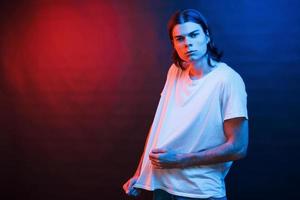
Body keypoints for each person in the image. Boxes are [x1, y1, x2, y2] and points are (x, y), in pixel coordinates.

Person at [123, 9, 248, 200]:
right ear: (173, 44)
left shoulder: (227, 79)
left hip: (199, 191)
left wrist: (180, 160)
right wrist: (140, 173)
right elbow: (159, 125)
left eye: (194, 34)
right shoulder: (175, 71)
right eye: (179, 38)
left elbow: (238, 147)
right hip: (162, 186)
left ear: (206, 36)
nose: (188, 43)